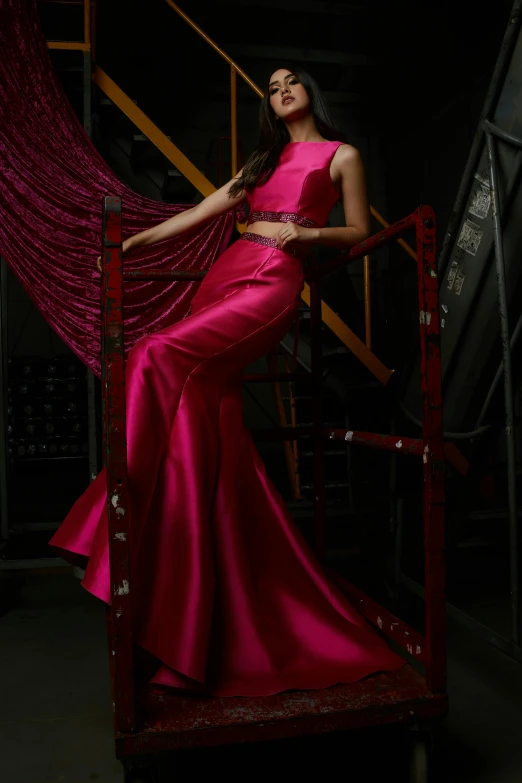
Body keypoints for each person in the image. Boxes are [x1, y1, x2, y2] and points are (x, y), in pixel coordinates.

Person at [51, 66, 403, 697]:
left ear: (310, 92)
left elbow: (359, 231)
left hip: (274, 281)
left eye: (291, 81)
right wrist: (136, 244)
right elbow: (209, 207)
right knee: (197, 416)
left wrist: (305, 233)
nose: (281, 90)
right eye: (270, 87)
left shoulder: (342, 155)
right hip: (229, 269)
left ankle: (110, 514)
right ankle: (184, 623)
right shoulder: (263, 161)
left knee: (157, 355)